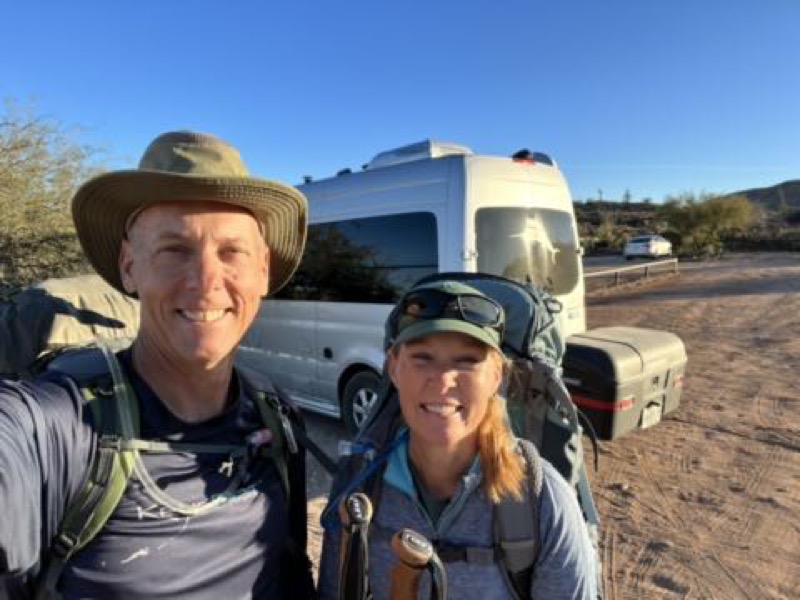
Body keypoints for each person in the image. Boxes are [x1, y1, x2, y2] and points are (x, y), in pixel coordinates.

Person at [0, 131, 316, 598]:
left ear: (263, 270)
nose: (207, 281)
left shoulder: (275, 417)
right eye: (175, 250)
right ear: (130, 265)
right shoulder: (57, 428)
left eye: (232, 252)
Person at [318, 280, 597, 599]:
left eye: (467, 361)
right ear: (394, 368)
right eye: (422, 357)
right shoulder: (359, 483)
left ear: (497, 376)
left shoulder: (543, 500)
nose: (443, 380)